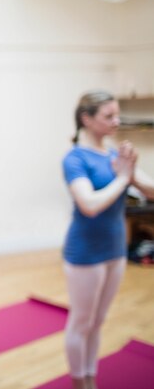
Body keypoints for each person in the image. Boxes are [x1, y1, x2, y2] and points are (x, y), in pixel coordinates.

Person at [62, 90, 154, 389]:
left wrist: (132, 174)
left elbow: (151, 190)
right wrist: (122, 178)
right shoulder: (74, 158)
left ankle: (91, 378)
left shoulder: (117, 155)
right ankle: (79, 383)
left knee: (98, 322)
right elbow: (89, 204)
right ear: (87, 119)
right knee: (82, 322)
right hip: (85, 252)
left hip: (115, 249)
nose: (116, 121)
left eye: (117, 115)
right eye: (109, 116)